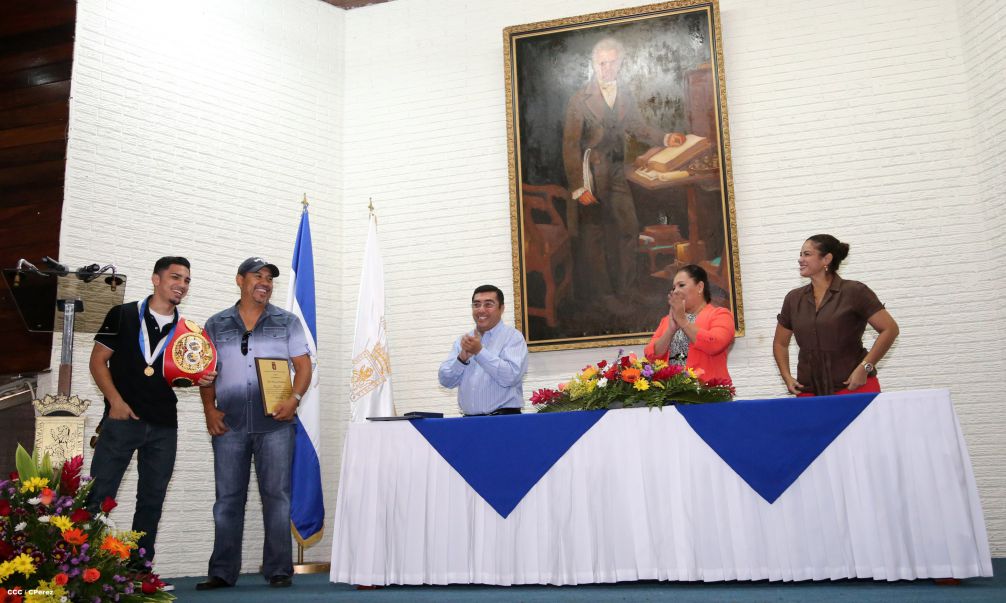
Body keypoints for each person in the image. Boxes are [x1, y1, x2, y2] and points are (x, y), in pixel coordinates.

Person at [88, 256, 215, 580]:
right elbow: (98, 362)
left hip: (163, 426)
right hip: (121, 419)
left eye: (187, 280)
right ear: (156, 279)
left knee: (152, 501)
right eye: (176, 277)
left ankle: (139, 571)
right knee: (99, 496)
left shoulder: (188, 333)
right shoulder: (123, 314)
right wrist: (114, 402)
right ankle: (82, 568)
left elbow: (181, 374)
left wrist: (201, 377)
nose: (182, 285)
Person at [196, 257, 312, 590]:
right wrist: (209, 410)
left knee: (277, 497)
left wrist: (295, 400)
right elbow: (205, 374)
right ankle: (221, 572)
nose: (264, 282)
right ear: (239, 280)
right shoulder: (215, 324)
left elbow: (304, 367)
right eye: (257, 276)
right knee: (227, 500)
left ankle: (279, 570)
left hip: (276, 425)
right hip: (229, 424)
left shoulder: (286, 321)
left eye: (269, 278)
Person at [562, 36, 686, 296]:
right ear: (594, 65)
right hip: (591, 174)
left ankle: (627, 289)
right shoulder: (579, 99)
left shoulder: (625, 93)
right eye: (601, 63)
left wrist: (665, 138)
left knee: (628, 228)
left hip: (618, 171)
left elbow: (638, 127)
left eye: (612, 63)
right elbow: (570, 145)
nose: (606, 69)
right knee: (594, 237)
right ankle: (602, 297)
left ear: (620, 65)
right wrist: (577, 187)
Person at [773, 235, 900, 396]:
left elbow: (890, 329)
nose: (800, 259)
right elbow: (780, 343)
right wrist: (787, 377)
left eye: (807, 254)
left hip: (854, 389)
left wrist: (865, 368)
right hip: (809, 393)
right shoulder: (793, 299)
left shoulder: (855, 291)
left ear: (826, 259)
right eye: (800, 254)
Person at [438, 285, 528, 416]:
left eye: (488, 304)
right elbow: (445, 381)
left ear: (501, 308)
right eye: (476, 305)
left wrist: (479, 352)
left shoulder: (513, 337)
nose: (481, 310)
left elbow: (511, 376)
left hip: (504, 420)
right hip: (469, 422)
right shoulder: (463, 341)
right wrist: (461, 359)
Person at [643, 264, 734, 382]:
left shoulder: (720, 315)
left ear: (700, 287)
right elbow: (650, 355)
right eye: (674, 287)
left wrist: (683, 322)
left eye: (681, 285)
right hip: (671, 394)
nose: (676, 291)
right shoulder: (667, 320)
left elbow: (715, 344)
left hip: (709, 394)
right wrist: (670, 331)